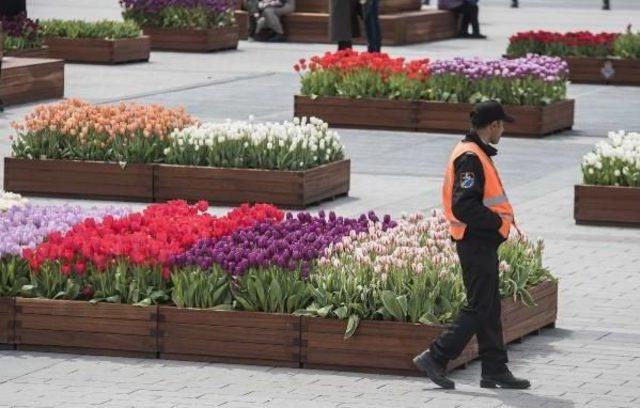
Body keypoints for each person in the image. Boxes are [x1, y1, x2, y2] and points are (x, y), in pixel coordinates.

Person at [412, 101, 531, 390]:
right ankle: (435, 356)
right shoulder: (470, 157)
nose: (503, 130)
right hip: (474, 240)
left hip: (479, 240)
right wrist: (494, 223)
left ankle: (495, 370)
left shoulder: (475, 152)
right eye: (502, 125)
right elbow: (464, 205)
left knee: (488, 306)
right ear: (493, 126)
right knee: (479, 306)